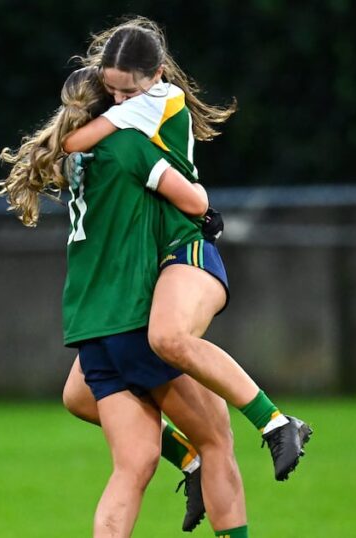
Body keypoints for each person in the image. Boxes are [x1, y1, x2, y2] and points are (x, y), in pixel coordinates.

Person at [0, 67, 247, 537]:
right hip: (130, 313)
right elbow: (193, 202)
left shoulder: (74, 159)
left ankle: (186, 461)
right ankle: (270, 421)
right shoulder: (129, 146)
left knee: (121, 452)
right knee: (218, 439)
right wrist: (202, 201)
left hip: (90, 324)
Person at [60, 16, 313, 484]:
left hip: (181, 244)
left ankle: (275, 422)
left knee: (169, 342)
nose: (116, 100)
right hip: (151, 256)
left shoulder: (154, 103)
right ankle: (191, 461)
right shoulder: (139, 104)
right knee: (78, 395)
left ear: (155, 76)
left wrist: (65, 139)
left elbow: (73, 140)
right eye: (109, 91)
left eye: (124, 91)